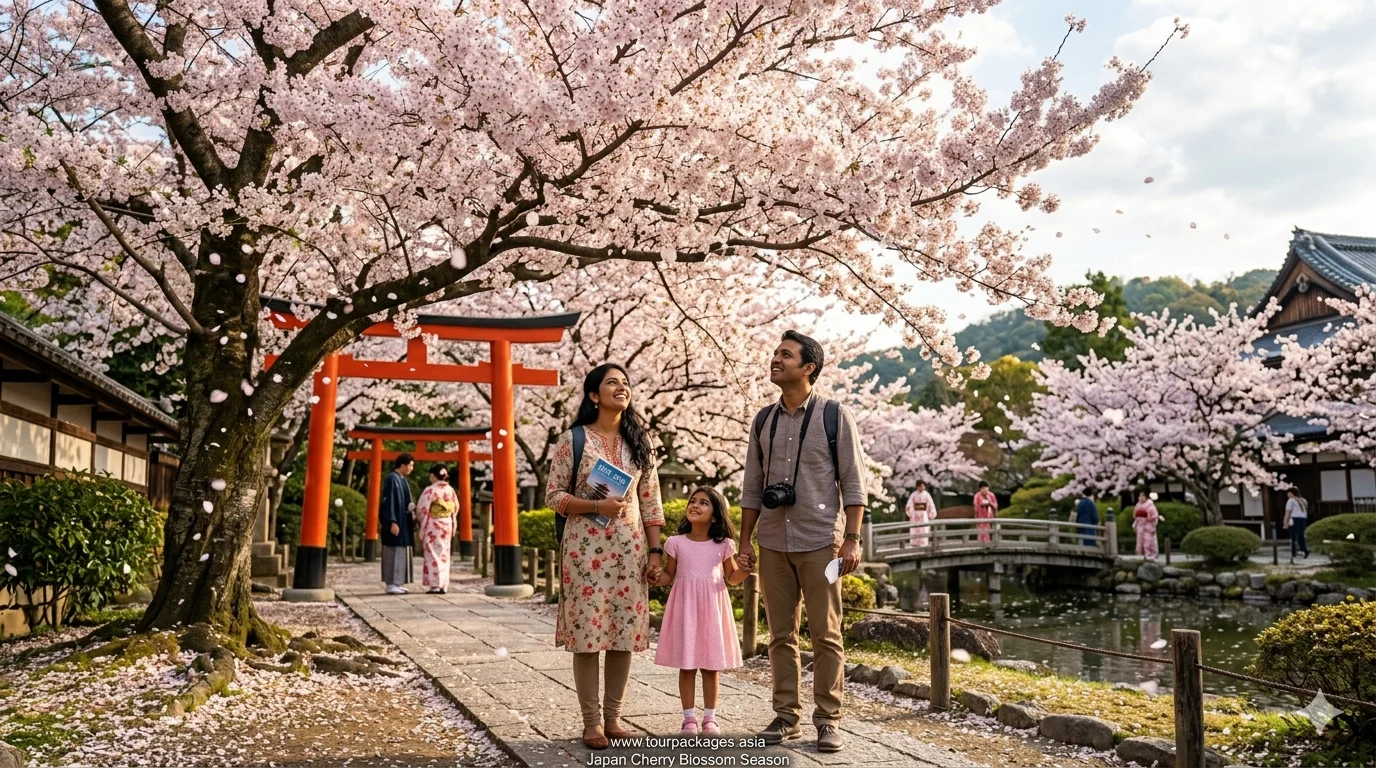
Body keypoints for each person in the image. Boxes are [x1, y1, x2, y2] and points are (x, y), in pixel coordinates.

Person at [738, 330, 867, 754]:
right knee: (780, 636)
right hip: (773, 541)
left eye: (786, 355)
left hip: (821, 543)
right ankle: (786, 716)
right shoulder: (763, 420)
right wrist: (745, 542)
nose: (775, 359)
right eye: (775, 353)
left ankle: (828, 719)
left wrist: (852, 538)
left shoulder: (834, 415)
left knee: (826, 634)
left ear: (808, 367)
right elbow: (752, 486)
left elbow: (853, 482)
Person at [546, 363, 665, 751]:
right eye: (612, 382)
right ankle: (591, 722)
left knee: (622, 634)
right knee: (587, 635)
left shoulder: (640, 443)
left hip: (630, 553)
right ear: (594, 395)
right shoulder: (574, 439)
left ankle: (614, 718)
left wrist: (655, 551)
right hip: (584, 553)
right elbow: (553, 496)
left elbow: (651, 503)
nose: (622, 387)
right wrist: (594, 506)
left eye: (626, 382)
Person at [653, 486, 751, 736]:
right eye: (693, 501)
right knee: (687, 666)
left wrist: (745, 570)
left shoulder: (724, 545)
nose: (695, 505)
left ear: (715, 516)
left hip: (711, 609)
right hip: (685, 607)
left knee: (710, 665)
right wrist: (654, 577)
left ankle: (710, 718)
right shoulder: (675, 542)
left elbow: (732, 578)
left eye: (704, 503)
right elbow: (668, 575)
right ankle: (689, 719)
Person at [416, 463, 459, 594]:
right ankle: (443, 585)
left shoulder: (430, 490)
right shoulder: (450, 490)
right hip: (446, 524)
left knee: (432, 553)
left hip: (433, 525)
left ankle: (435, 584)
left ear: (434, 476)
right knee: (444, 554)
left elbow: (422, 509)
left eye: (431, 476)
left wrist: (421, 520)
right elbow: (455, 507)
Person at [379, 453, 416, 595]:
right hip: (396, 521)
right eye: (410, 465)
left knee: (401, 551)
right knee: (393, 552)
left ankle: (398, 582)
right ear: (403, 465)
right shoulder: (392, 479)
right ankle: (391, 583)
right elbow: (389, 502)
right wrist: (392, 521)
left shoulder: (402, 480)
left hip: (403, 521)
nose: (411, 468)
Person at [905, 481, 937, 547]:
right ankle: (914, 543)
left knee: (924, 528)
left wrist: (931, 514)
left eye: (923, 486)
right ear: (917, 487)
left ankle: (924, 543)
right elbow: (910, 504)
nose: (922, 487)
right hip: (915, 515)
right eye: (920, 486)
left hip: (923, 515)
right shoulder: (913, 495)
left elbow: (931, 504)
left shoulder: (927, 495)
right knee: (915, 529)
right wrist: (909, 510)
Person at [1132, 491, 1160, 561]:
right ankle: (1144, 555)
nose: (1141, 497)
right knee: (1141, 542)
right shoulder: (1138, 505)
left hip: (1148, 525)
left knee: (1148, 541)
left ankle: (1151, 555)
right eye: (1140, 496)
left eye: (1143, 496)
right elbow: (1136, 516)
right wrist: (1135, 524)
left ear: (1146, 497)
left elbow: (1154, 516)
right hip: (1140, 525)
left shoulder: (1150, 504)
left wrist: (1149, 519)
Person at [1283, 487, 1309, 562]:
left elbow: (1288, 511)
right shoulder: (1304, 500)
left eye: (1288, 493)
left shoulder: (1291, 500)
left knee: (1293, 536)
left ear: (1291, 493)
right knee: (1301, 534)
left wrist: (1285, 522)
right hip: (1303, 518)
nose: (1287, 495)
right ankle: (1303, 549)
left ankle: (1294, 552)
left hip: (1294, 518)